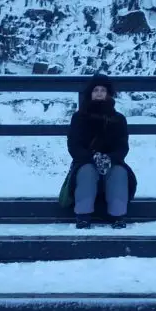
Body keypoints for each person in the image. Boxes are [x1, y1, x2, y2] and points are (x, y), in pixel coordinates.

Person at [61, 73, 137, 229]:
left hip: (112, 160)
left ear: (108, 93)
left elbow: (123, 145)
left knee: (119, 173)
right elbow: (74, 145)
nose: (99, 93)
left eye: (103, 90)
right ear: (90, 93)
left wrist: (110, 158)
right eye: (96, 90)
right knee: (86, 172)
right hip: (85, 161)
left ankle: (118, 216)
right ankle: (83, 215)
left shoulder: (118, 118)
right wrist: (92, 157)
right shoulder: (79, 117)